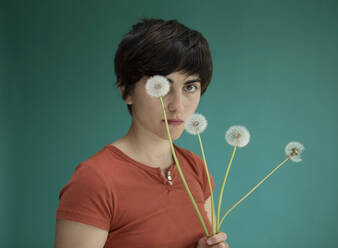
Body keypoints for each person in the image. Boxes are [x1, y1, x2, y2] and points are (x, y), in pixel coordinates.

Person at [54, 18, 229, 248]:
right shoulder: (95, 181)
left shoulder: (196, 168)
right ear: (127, 91)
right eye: (161, 86)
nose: (177, 105)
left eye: (190, 87)